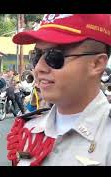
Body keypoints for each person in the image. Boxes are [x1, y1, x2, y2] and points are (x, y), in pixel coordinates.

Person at [7, 14, 111, 166]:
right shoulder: (28, 130)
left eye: (54, 56)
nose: (38, 68)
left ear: (96, 64)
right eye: (36, 56)